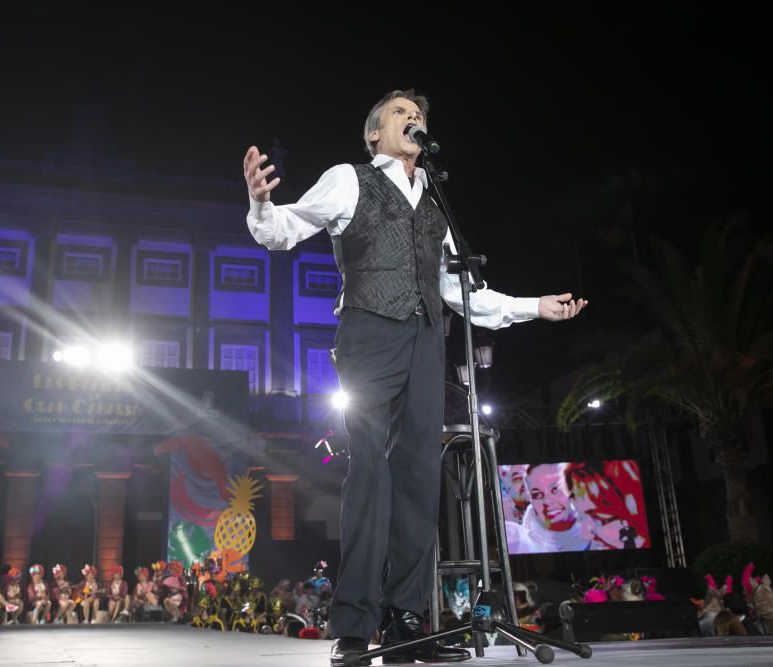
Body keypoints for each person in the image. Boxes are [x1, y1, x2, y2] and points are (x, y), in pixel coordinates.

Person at [243, 88, 587, 666]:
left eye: (418, 114)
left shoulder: (435, 201)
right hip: (369, 333)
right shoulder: (350, 178)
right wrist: (260, 204)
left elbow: (460, 290)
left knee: (419, 477)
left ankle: (406, 621)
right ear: (374, 134)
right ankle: (353, 624)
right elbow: (286, 229)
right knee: (370, 473)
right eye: (399, 113)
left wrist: (533, 307)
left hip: (428, 339)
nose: (413, 119)